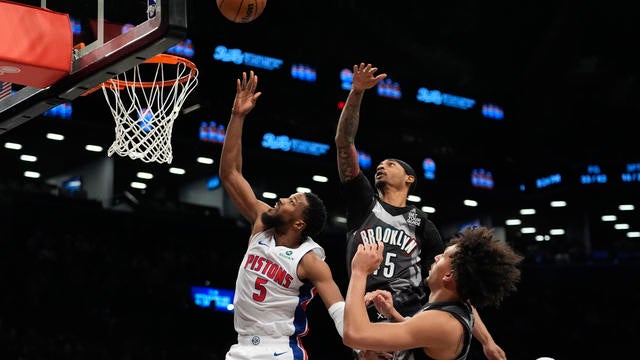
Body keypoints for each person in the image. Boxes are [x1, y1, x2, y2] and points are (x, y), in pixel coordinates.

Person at [335, 62, 506, 360]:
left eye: (391, 163)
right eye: (380, 163)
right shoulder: (364, 202)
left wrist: (487, 341)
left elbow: (458, 284)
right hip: (368, 314)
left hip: (415, 320)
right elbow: (343, 143)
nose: (381, 165)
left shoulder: (421, 225)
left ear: (410, 179)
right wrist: (356, 93)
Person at [219, 70, 346, 360]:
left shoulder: (310, 260)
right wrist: (237, 117)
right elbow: (230, 173)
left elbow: (337, 309)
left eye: (291, 201)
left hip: (279, 351)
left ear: (299, 223)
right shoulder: (262, 224)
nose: (280, 199)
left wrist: (363, 346)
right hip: (239, 349)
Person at [343, 226, 524, 360]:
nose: (436, 257)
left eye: (443, 256)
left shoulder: (444, 323)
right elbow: (419, 335)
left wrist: (359, 271)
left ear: (448, 276)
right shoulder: (454, 308)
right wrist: (392, 315)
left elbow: (354, 335)